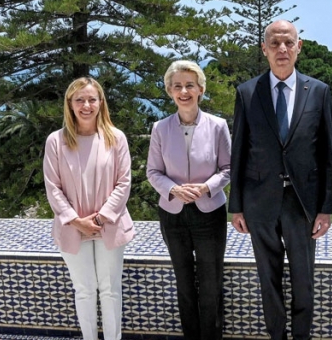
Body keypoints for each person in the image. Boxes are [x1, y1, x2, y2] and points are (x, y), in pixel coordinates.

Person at [229, 20, 332, 340]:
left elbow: (326, 154)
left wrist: (326, 208)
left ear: (299, 47)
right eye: (274, 43)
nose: (282, 49)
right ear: (264, 49)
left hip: (303, 204)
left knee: (304, 280)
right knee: (268, 279)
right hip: (260, 203)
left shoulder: (319, 91)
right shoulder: (247, 93)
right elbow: (239, 152)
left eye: (288, 42)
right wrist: (236, 206)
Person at [44, 77, 135, 340]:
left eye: (92, 99)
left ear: (101, 102)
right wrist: (76, 221)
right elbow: (53, 187)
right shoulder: (56, 141)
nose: (86, 105)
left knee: (110, 290)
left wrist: (101, 217)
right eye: (80, 100)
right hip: (72, 228)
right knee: (84, 290)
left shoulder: (116, 138)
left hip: (110, 225)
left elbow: (124, 182)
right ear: (70, 104)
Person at [146, 60, 231, 340]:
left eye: (190, 85)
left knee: (211, 283)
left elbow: (228, 168)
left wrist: (206, 187)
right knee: (184, 283)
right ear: (170, 91)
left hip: (210, 214)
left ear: (201, 89)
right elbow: (153, 172)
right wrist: (174, 189)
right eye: (178, 86)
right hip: (173, 216)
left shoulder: (218, 126)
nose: (184, 91)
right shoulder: (160, 128)